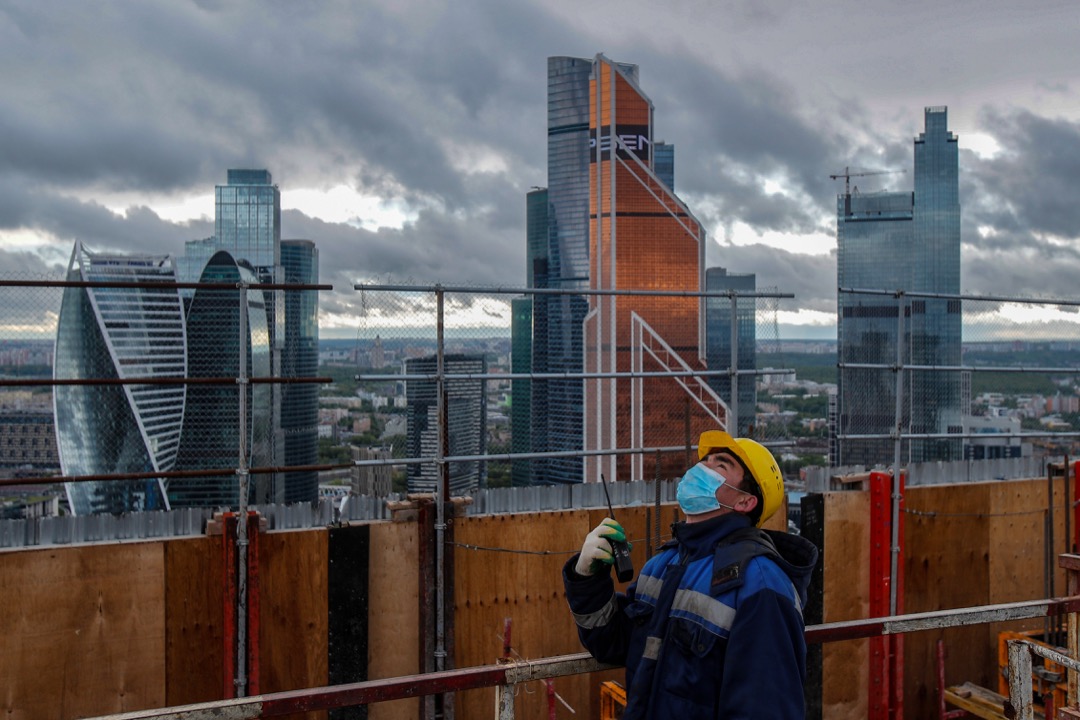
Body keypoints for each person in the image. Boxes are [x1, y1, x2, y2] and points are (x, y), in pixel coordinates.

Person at [563, 430, 819, 719]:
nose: (701, 468)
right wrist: (587, 578)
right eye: (704, 460)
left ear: (745, 502)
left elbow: (765, 708)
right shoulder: (664, 564)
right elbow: (612, 644)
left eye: (720, 465)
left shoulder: (761, 584)